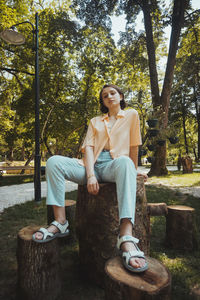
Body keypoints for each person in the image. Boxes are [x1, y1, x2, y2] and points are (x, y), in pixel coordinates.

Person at [32, 84, 148, 273]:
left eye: (113, 93)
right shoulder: (95, 121)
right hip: (90, 165)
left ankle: (126, 236)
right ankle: (60, 222)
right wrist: (91, 174)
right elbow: (88, 148)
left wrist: (132, 170)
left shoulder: (132, 115)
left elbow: (134, 146)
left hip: (115, 164)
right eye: (104, 96)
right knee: (53, 162)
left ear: (120, 96)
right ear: (102, 101)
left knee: (126, 162)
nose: (109, 96)